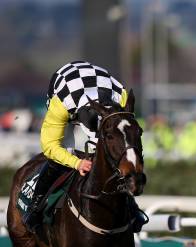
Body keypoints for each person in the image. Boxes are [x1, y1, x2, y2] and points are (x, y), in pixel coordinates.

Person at [23, 60, 147, 232]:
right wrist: (77, 163)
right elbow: (49, 146)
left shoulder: (121, 97)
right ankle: (35, 207)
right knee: (62, 156)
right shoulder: (62, 103)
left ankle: (131, 207)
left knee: (114, 158)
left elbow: (128, 137)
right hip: (63, 85)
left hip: (100, 89)